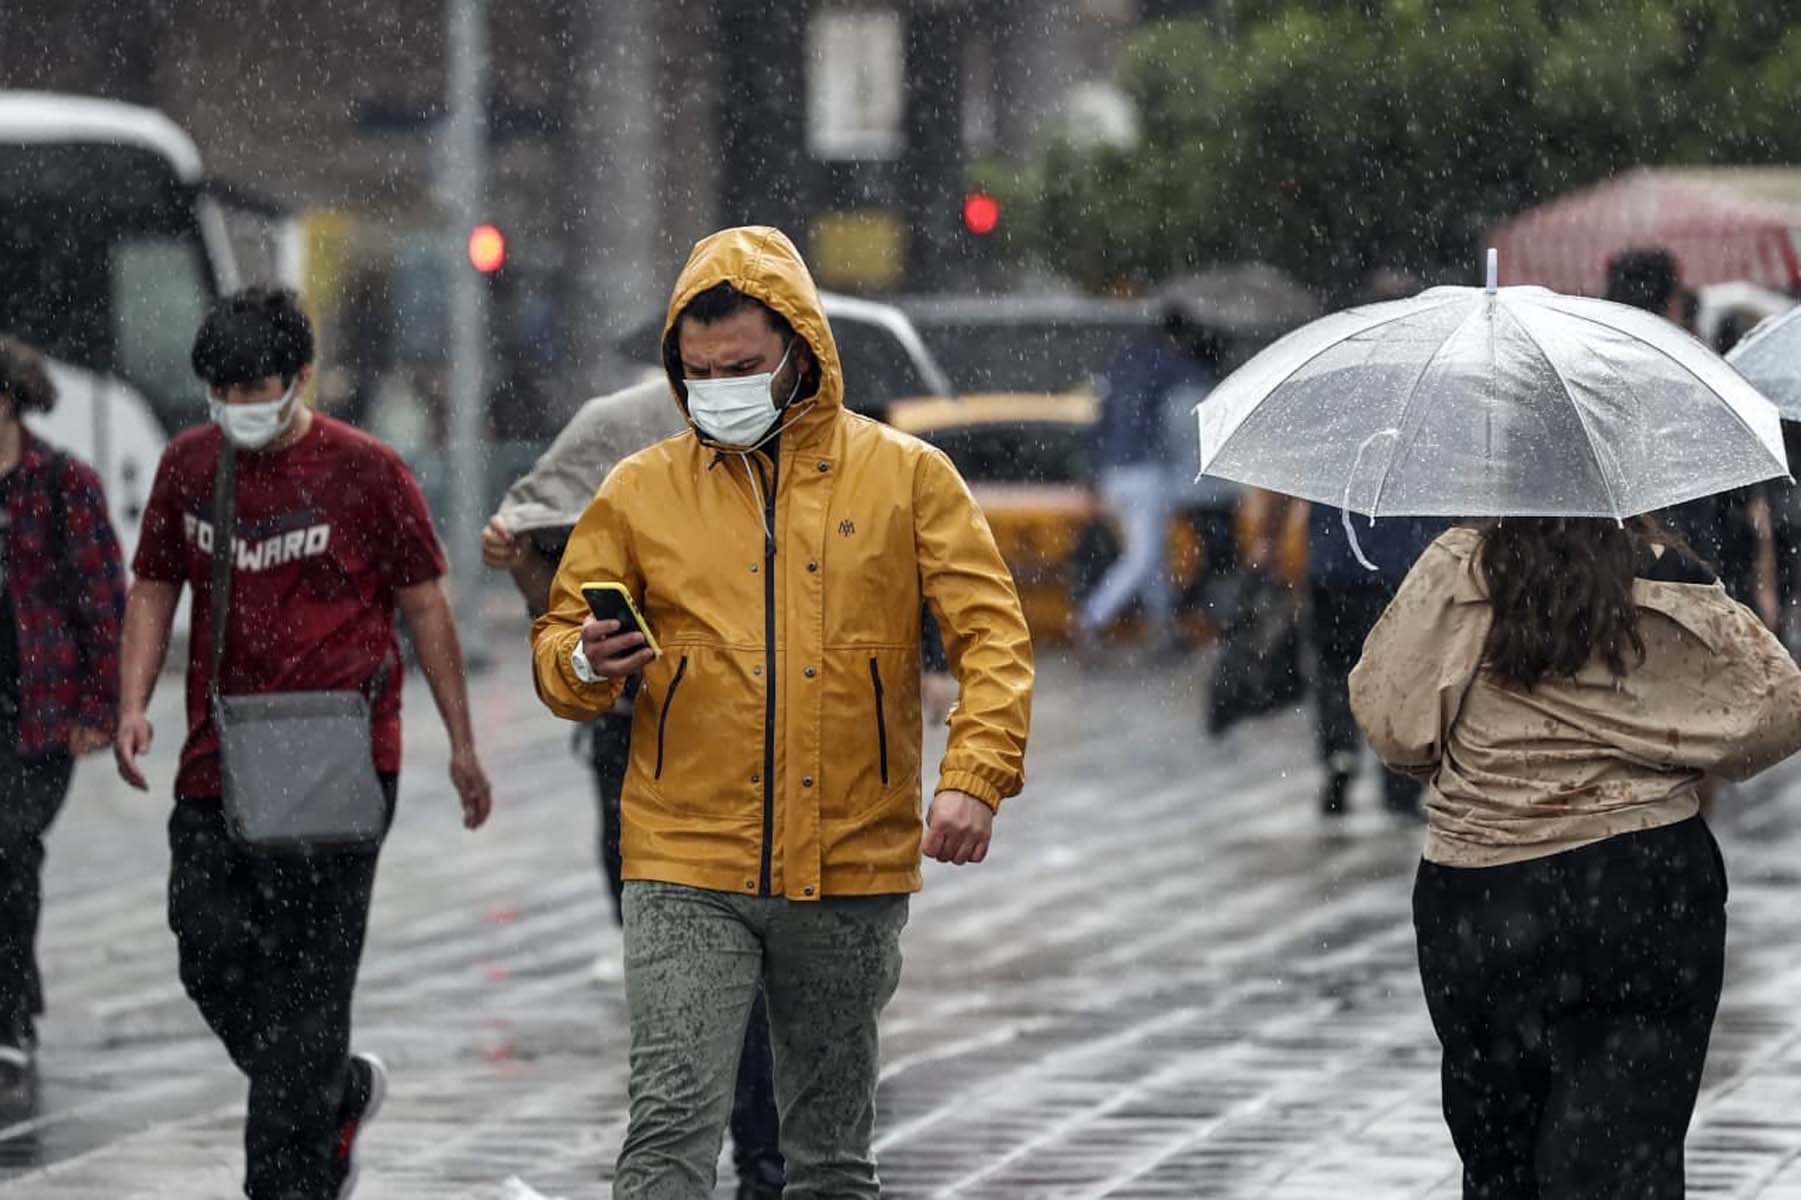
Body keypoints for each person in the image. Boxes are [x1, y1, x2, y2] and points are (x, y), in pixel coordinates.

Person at [530, 226, 1034, 1198]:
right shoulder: (638, 493)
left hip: (851, 864)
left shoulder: (906, 477)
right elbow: (559, 652)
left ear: (798, 348)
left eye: (744, 366)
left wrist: (973, 777)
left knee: (831, 1157)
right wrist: (586, 661)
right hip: (684, 861)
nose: (719, 384)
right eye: (699, 370)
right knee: (668, 1132)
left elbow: (994, 638)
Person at [114, 286, 495, 1200]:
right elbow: (155, 587)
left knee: (311, 990)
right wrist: (132, 702)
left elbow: (426, 604)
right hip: (221, 753)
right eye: (223, 390)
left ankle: (289, 1178)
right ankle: (335, 1091)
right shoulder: (187, 466)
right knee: (204, 945)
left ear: (299, 378)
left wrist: (461, 744)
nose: (240, 407)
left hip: (341, 759)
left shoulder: (369, 473)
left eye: (257, 387)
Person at [1351, 517, 1801, 1195]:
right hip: (1641, 890)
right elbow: (1775, 710)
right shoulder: (1657, 568)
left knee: (1501, 1158)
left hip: (1480, 897)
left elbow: (1391, 725)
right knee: (1625, 1156)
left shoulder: (1458, 565)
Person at [482, 375, 788, 1199]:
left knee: (750, 966)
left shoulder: (826, 442)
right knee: (672, 955)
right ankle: (742, 1149)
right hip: (639, 733)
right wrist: (533, 583)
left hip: (767, 741)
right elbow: (558, 616)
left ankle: (765, 1155)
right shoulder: (620, 441)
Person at [1241, 270, 1439, 819]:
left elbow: (1289, 477)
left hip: (1335, 563)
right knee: (1402, 672)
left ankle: (1339, 759)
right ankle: (1399, 778)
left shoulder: (1335, 387)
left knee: (1336, 669)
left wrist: (1270, 538)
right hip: (1407, 568)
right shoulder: (1429, 387)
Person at [0, 336, 125, 1110]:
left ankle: (11, 1010)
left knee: (11, 849)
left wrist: (100, 707)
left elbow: (102, 602)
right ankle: (17, 993)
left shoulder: (61, 484)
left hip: (36, 713)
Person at [1605, 247, 1780, 626]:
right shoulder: (1702, 386)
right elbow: (1750, 508)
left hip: (1612, 594)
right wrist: (1761, 595)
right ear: (1672, 305)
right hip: (1701, 596)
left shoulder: (1596, 390)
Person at [1076, 296, 1215, 652]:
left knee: (1153, 557)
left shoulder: (1123, 361)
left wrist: (1096, 471)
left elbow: (1100, 419)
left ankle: (1162, 627)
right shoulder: (1167, 362)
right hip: (1144, 473)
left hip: (1113, 473)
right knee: (1145, 556)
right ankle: (1091, 619)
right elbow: (1199, 379)